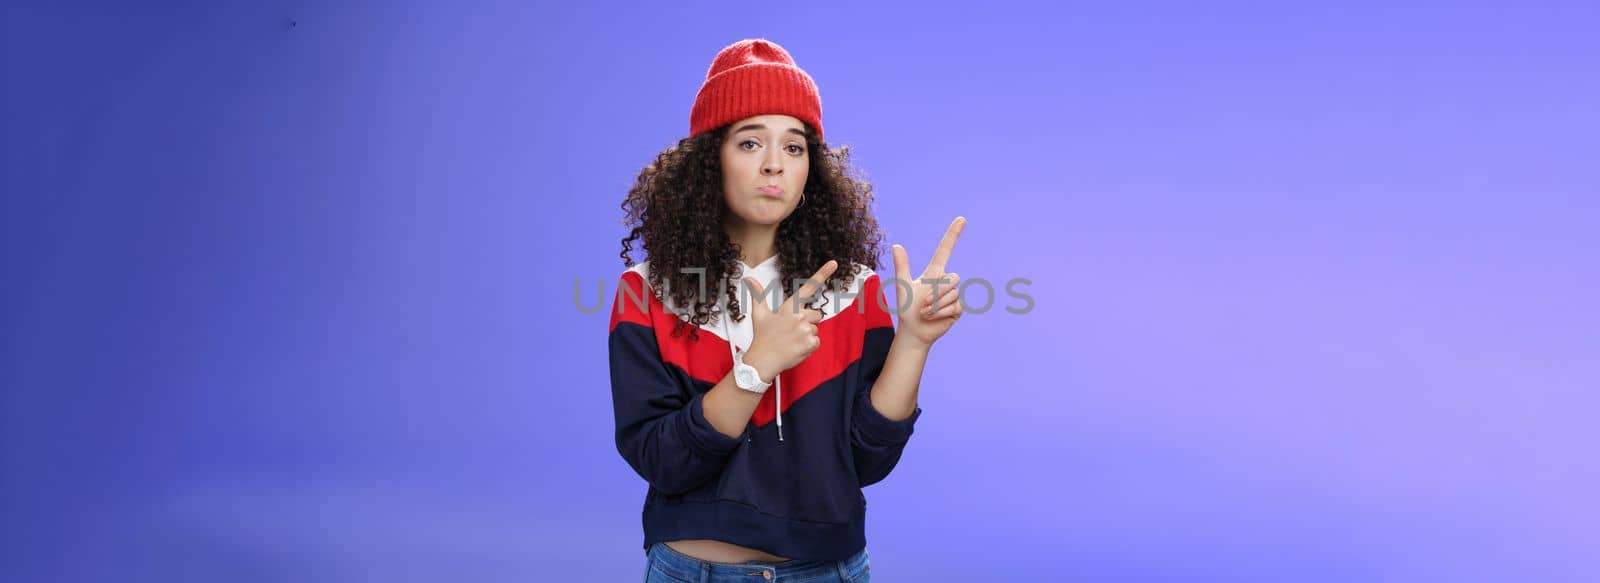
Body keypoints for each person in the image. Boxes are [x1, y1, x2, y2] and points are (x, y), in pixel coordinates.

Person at [609, 38, 967, 582]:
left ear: (811, 172)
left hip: (829, 571)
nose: (774, 165)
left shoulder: (853, 291)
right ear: (710, 161)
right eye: (750, 143)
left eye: (794, 147)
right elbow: (660, 460)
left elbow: (866, 462)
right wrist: (754, 369)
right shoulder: (646, 292)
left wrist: (914, 343)